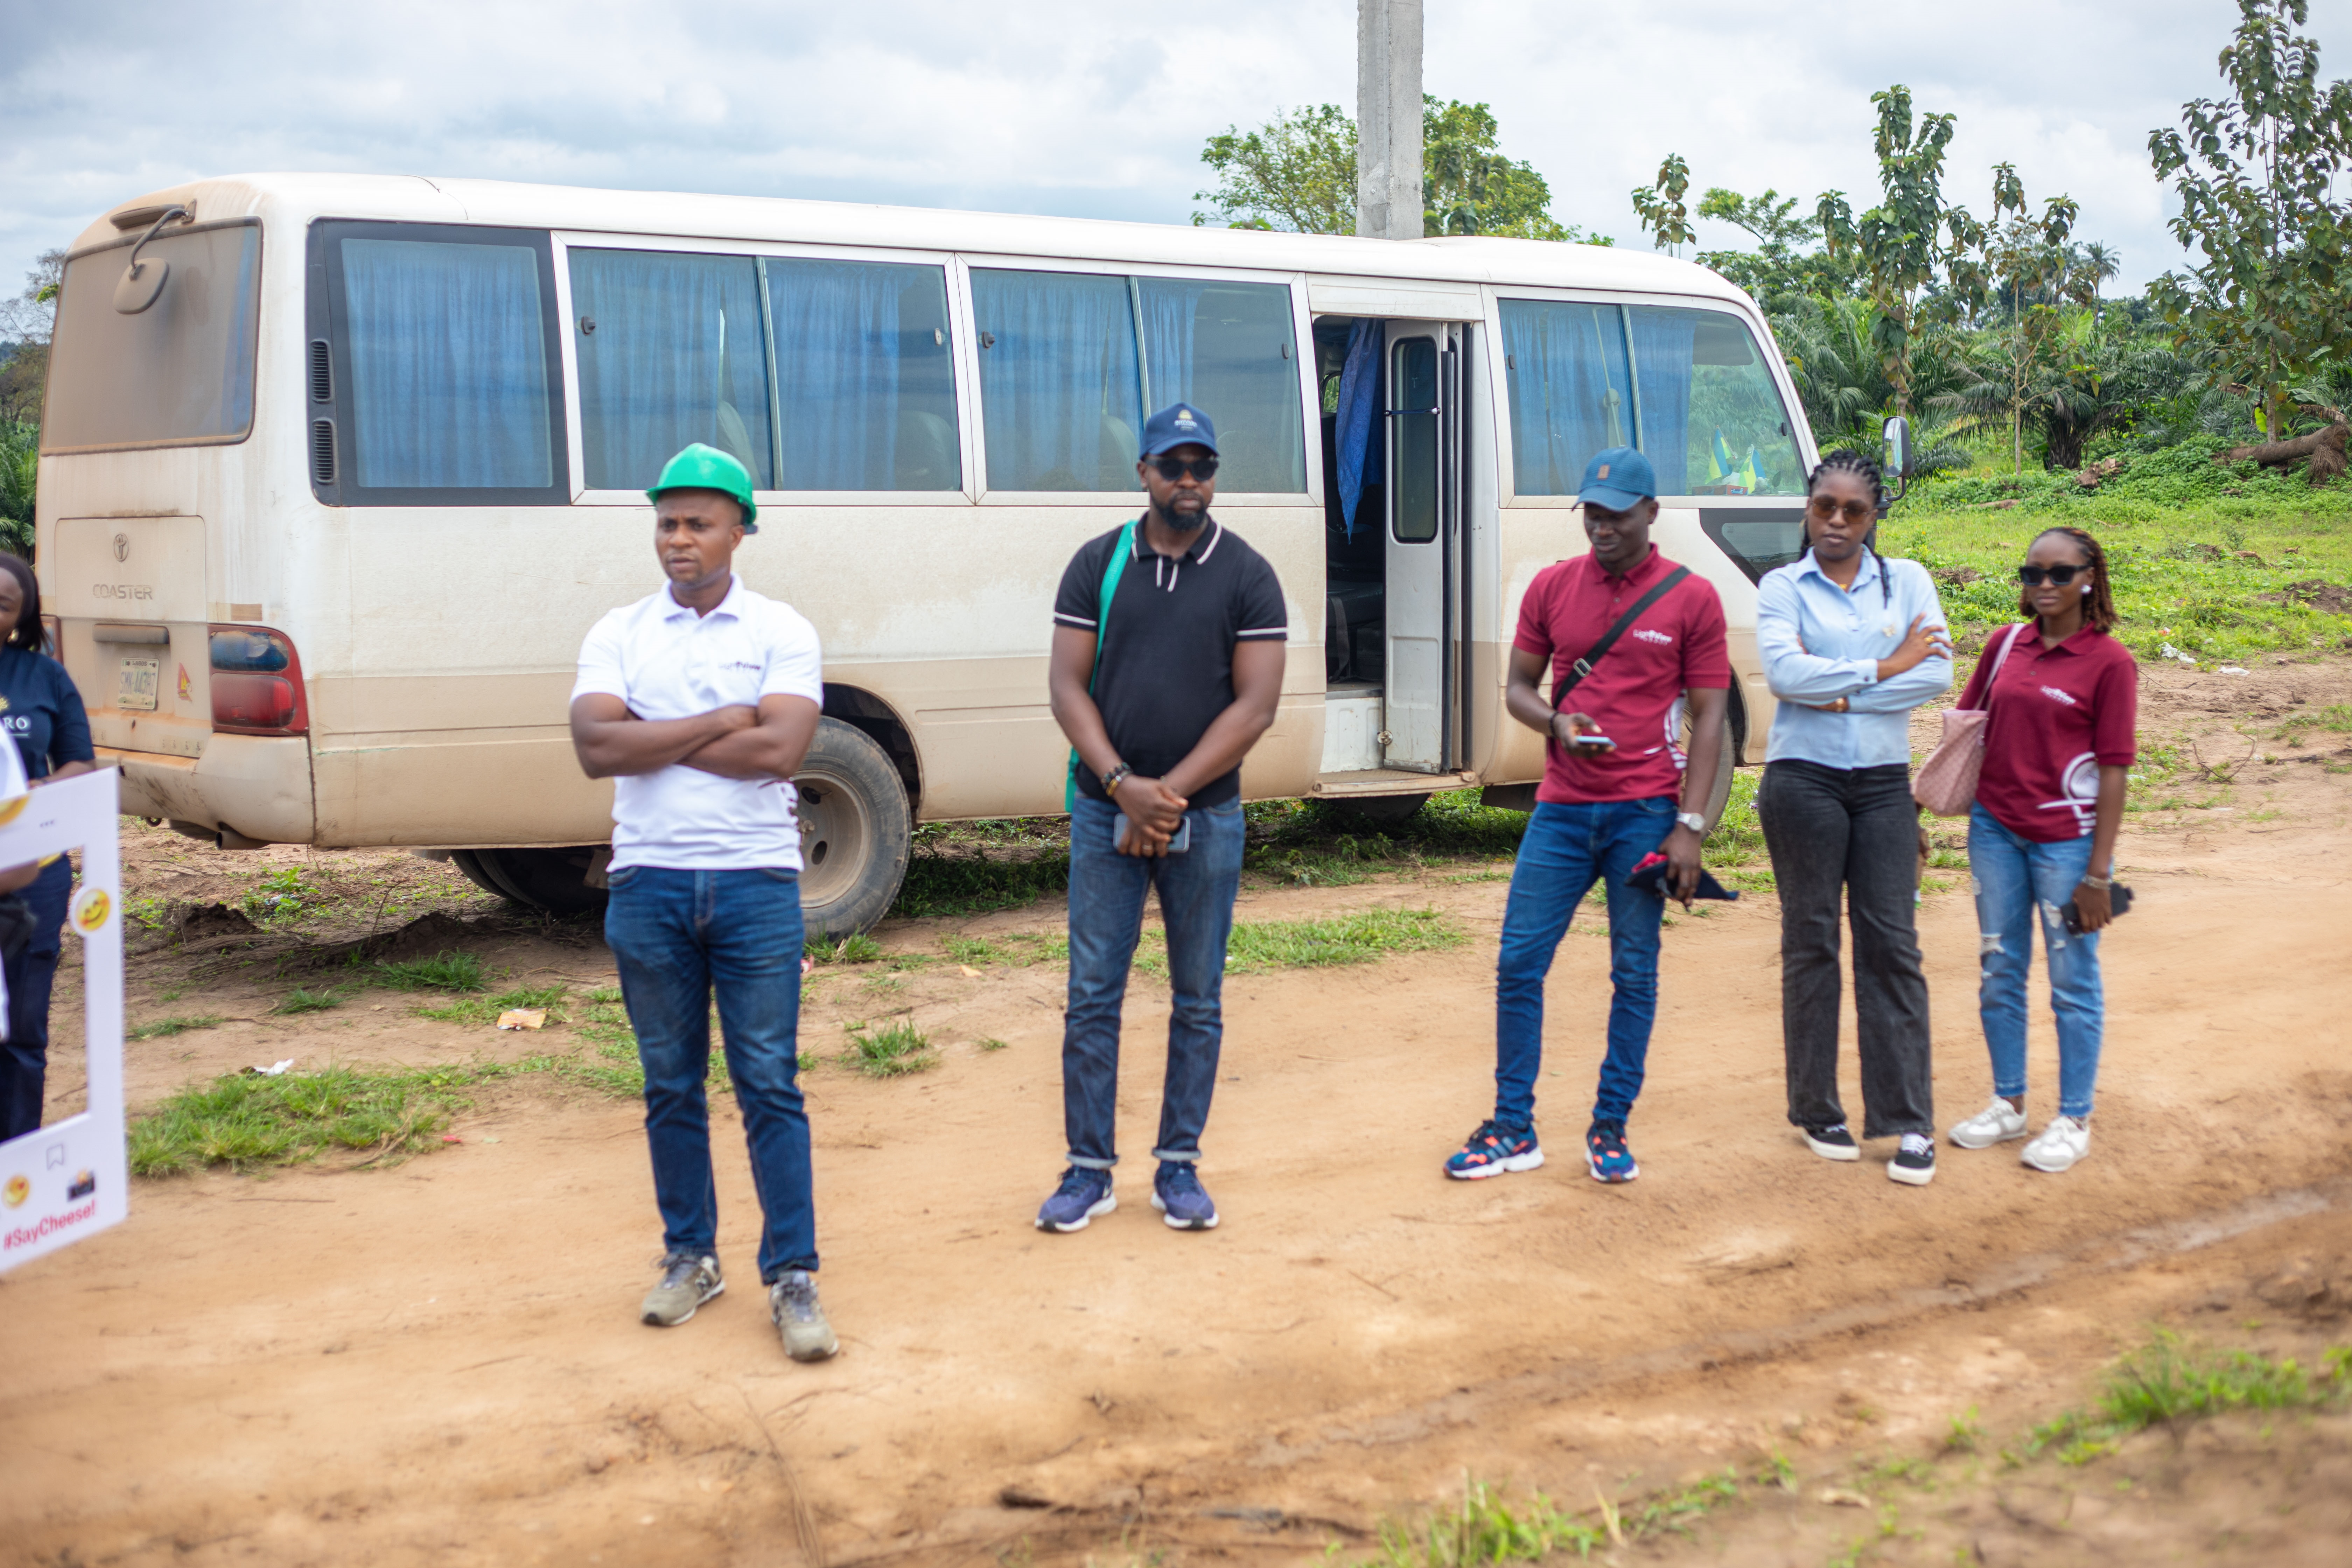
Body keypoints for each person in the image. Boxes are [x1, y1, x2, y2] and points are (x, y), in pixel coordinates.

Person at [568, 443, 838, 1360]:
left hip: (755, 885)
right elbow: (596, 749)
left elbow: (780, 754)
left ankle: (793, 1275)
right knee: (669, 1085)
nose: (678, 540)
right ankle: (692, 1258)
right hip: (648, 886)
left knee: (768, 1082)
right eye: (666, 523)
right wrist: (724, 718)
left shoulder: (782, 630)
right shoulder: (619, 631)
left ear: (739, 532)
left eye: (697, 523)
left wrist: (653, 732)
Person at [1446, 447, 1729, 1185]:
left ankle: (1610, 1126)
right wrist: (1557, 725)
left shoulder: (1692, 598)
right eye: (1593, 514)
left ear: (1651, 514)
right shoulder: (1551, 585)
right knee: (1518, 962)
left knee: (1633, 970)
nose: (1601, 528)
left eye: (1616, 516)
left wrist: (1689, 828)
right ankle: (1513, 1127)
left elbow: (1711, 719)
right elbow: (1517, 687)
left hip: (1644, 813)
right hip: (1562, 812)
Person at [1036, 404, 1286, 1234]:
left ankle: (1179, 1167)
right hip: (1101, 815)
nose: (1190, 481)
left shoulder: (1248, 573)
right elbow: (1068, 685)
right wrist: (1119, 783)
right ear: (1142, 471)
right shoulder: (1098, 563)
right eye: (1172, 465)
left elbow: (1256, 708)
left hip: (1206, 821)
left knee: (1199, 999)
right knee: (1092, 997)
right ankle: (1089, 1170)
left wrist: (1164, 795)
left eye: (1203, 466)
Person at [1755, 451, 1952, 1186]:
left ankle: (1908, 1118)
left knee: (1893, 944)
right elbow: (1784, 675)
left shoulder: (1909, 582)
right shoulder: (1783, 586)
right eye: (1823, 507)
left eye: (1853, 510)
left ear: (1875, 518)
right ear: (1807, 509)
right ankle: (1816, 1109)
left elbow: (1938, 671)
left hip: (1880, 784)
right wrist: (1885, 667)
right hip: (1800, 781)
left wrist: (1842, 691)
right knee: (1811, 942)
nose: (1836, 521)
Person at [1946, 526, 2135, 1174]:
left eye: (2060, 574)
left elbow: (2114, 769)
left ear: (2090, 578)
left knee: (2072, 982)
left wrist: (2098, 875)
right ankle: (2009, 1104)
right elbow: (1964, 727)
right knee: (2000, 969)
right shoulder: (2006, 645)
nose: (2045, 585)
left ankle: (2074, 1117)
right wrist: (1916, 804)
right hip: (1994, 830)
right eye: (2033, 574)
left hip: (2067, 845)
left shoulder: (2110, 663)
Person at [0, 553, 96, 1141]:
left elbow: (81, 765)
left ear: (20, 617)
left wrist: (36, 790)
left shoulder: (44, 678)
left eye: (3, 603)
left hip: (32, 877)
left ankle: (16, 1178)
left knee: (22, 1029)